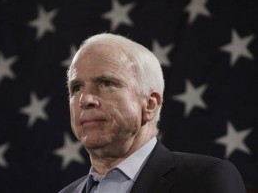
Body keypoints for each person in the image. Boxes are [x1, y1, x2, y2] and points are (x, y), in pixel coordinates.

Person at [59, 33, 246, 193]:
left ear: (150, 104)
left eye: (106, 83)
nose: (85, 99)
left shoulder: (205, 180)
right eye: (76, 88)